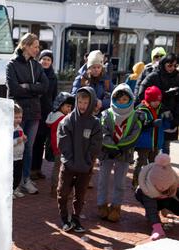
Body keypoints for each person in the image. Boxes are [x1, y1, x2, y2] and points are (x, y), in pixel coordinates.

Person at [6, 33, 49, 195]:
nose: (38, 50)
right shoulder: (12, 64)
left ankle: (25, 180)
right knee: (15, 146)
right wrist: (33, 88)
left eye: (38, 47)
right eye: (35, 46)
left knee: (28, 148)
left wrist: (28, 87)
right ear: (26, 45)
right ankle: (13, 183)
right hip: (18, 113)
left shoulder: (37, 66)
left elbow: (44, 87)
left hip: (34, 112)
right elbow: (14, 89)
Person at [57, 87, 102, 233]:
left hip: (85, 167)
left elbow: (96, 145)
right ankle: (64, 218)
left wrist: (88, 160)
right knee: (63, 192)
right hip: (68, 165)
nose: (82, 105)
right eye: (80, 102)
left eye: (86, 102)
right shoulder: (67, 121)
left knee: (80, 195)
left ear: (91, 103)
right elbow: (63, 142)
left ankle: (76, 219)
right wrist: (70, 160)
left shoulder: (95, 123)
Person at [97, 84, 143, 222]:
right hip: (106, 153)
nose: (121, 102)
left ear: (130, 99)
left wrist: (120, 148)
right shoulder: (106, 114)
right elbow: (103, 132)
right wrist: (112, 148)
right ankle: (101, 205)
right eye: (119, 99)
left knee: (120, 182)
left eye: (124, 99)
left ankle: (116, 207)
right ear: (114, 99)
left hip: (125, 153)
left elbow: (134, 135)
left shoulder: (135, 116)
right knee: (103, 180)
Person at [138, 53, 179, 155]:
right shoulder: (154, 76)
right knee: (150, 145)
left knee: (166, 144)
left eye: (175, 65)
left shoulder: (177, 76)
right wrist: (162, 95)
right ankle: (148, 168)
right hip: (153, 114)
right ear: (163, 64)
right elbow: (141, 93)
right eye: (169, 65)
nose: (172, 68)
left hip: (171, 115)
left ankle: (163, 168)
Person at [135, 153, 179, 241]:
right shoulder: (146, 191)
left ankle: (164, 206)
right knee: (151, 209)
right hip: (151, 199)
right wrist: (157, 229)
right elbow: (151, 209)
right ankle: (155, 219)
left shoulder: (174, 179)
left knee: (171, 203)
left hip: (167, 198)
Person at [132, 86, 169, 188]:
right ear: (148, 100)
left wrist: (168, 119)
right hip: (144, 143)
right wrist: (151, 123)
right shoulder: (141, 109)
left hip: (156, 143)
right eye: (154, 100)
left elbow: (166, 126)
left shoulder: (161, 109)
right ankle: (136, 182)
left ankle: (149, 183)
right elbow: (138, 126)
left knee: (153, 164)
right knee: (141, 162)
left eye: (158, 100)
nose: (157, 102)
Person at [31, 49, 57, 181]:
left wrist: (54, 110)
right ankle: (30, 169)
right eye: (43, 59)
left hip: (46, 113)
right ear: (39, 60)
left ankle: (37, 169)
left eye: (48, 59)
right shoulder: (35, 74)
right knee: (33, 142)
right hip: (35, 110)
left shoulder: (53, 77)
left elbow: (54, 96)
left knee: (41, 142)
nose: (46, 61)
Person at [45, 92, 74, 197]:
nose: (69, 109)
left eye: (71, 107)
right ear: (60, 105)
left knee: (57, 168)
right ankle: (58, 190)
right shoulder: (62, 119)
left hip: (56, 146)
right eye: (67, 106)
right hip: (62, 147)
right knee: (61, 170)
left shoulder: (53, 116)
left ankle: (55, 189)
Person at [13, 104, 27, 199]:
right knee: (11, 175)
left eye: (20, 117)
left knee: (18, 175)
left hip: (19, 156)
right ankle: (10, 191)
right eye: (16, 117)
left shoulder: (19, 128)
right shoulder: (9, 129)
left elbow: (21, 138)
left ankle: (15, 189)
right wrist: (17, 141)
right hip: (12, 157)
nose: (18, 119)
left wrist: (24, 139)